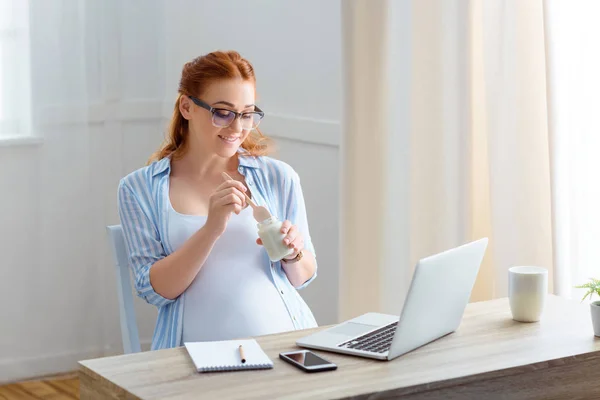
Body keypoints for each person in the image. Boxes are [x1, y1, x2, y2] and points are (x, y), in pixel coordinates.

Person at [117, 51, 318, 350]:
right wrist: (212, 228)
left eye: (247, 114)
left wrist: (293, 254)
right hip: (191, 360)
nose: (237, 128)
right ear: (187, 107)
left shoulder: (278, 177)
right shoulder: (138, 188)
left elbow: (303, 277)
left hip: (286, 349)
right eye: (222, 112)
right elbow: (155, 291)